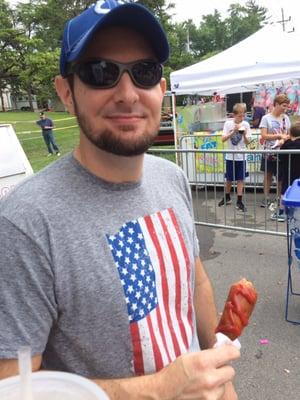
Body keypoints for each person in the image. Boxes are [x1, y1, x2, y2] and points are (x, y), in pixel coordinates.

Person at [0, 2, 240, 400]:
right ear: (66, 93)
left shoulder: (173, 178)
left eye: (144, 73)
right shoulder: (24, 224)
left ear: (160, 89)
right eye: (100, 73)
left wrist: (222, 378)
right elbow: (12, 387)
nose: (128, 94)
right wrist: (159, 388)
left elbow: (195, 282)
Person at [218, 103, 251, 212]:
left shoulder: (246, 124)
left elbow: (248, 142)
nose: (242, 118)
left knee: (240, 179)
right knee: (229, 178)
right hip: (230, 156)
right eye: (239, 116)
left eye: (243, 115)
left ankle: (239, 201)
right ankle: (227, 196)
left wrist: (245, 134)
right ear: (234, 115)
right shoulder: (228, 124)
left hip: (241, 156)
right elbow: (223, 139)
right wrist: (234, 132)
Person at [259, 94, 291, 208]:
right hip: (269, 151)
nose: (285, 108)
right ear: (276, 104)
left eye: (286, 106)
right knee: (268, 175)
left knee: (281, 176)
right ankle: (266, 197)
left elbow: (288, 134)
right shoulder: (266, 118)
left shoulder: (286, 118)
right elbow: (263, 135)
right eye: (283, 105)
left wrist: (286, 137)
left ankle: (279, 198)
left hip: (282, 151)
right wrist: (278, 136)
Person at [270, 121, 300, 221]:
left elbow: (280, 156)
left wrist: (283, 141)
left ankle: (282, 212)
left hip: (288, 171)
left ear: (290, 133)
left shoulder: (287, 144)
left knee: (285, 191)